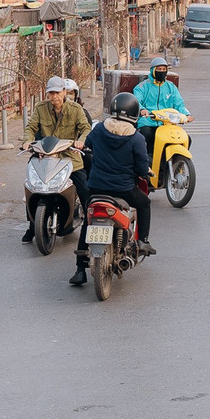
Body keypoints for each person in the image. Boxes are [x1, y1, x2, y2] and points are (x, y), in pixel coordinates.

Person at [70, 93, 153, 286]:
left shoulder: (99, 129)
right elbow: (141, 169)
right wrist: (146, 170)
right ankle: (143, 242)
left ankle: (80, 269)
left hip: (96, 188)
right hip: (123, 190)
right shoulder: (136, 138)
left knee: (87, 223)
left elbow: (88, 145)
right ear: (133, 114)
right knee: (145, 204)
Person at [20, 76, 91, 242]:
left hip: (70, 157)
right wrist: (27, 141)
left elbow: (86, 128)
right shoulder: (40, 108)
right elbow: (31, 127)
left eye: (57, 92)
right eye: (50, 93)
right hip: (46, 155)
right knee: (32, 187)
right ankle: (32, 225)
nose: (54, 96)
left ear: (64, 92)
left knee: (85, 191)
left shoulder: (75, 109)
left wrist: (81, 141)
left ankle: (90, 225)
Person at [133, 57, 193, 161]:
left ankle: (177, 163)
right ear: (153, 70)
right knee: (147, 136)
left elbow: (179, 104)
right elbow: (137, 101)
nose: (161, 72)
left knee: (186, 138)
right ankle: (148, 163)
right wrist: (142, 110)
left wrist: (187, 115)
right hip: (148, 121)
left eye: (164, 69)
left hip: (167, 123)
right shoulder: (142, 86)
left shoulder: (171, 87)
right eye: (159, 69)